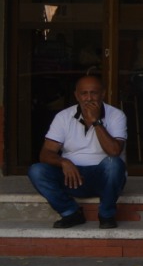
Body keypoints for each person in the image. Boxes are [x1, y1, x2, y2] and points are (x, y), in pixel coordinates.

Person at [29, 74, 127, 230]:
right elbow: (45, 153)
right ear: (76, 96)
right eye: (84, 93)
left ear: (102, 94)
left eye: (94, 93)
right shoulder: (63, 117)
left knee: (114, 164)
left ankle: (106, 215)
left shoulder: (116, 115)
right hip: (72, 176)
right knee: (37, 170)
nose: (89, 98)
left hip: (104, 178)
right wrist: (63, 162)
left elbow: (114, 151)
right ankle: (70, 213)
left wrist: (96, 121)